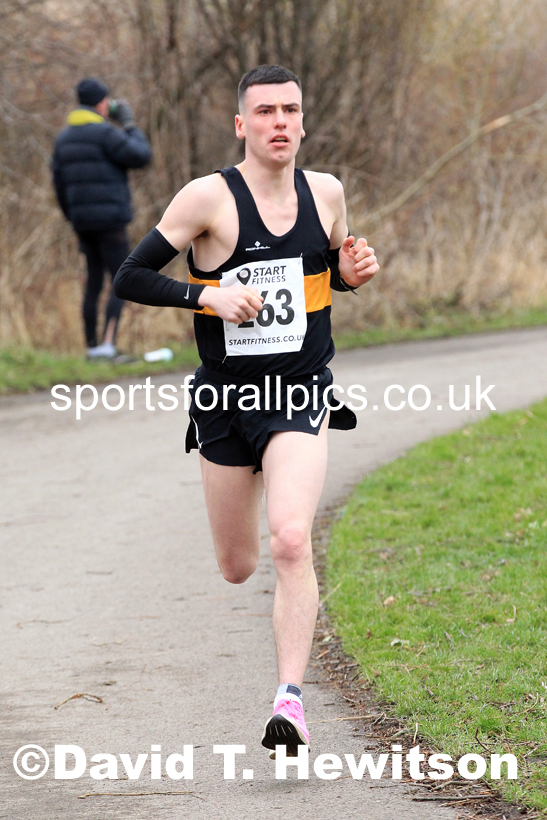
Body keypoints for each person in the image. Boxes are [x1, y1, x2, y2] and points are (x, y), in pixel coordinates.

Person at [114, 64, 379, 756]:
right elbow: (130, 276)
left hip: (298, 392)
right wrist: (206, 296)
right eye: (264, 112)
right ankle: (250, 476)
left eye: (290, 109)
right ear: (241, 124)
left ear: (302, 119)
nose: (279, 122)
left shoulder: (326, 193)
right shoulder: (207, 199)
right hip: (225, 399)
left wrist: (348, 277)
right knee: (237, 565)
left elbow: (326, 268)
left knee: (290, 538)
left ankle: (289, 702)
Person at [52, 77, 152, 359]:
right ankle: (108, 346)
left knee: (94, 281)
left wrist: (73, 217)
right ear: (101, 103)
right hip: (111, 223)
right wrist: (130, 124)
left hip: (83, 223)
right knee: (122, 278)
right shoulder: (105, 133)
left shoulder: (63, 138)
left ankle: (91, 347)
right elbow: (141, 156)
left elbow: (58, 186)